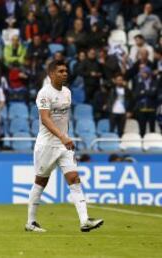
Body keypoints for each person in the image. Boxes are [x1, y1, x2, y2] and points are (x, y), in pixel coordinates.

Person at [25, 60, 103, 233]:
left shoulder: (67, 92)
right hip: (46, 145)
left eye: (66, 71)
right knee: (40, 182)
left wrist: (64, 137)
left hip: (63, 145)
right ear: (51, 74)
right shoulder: (44, 93)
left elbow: (63, 119)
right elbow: (45, 119)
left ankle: (84, 221)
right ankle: (30, 222)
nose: (65, 73)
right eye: (60, 71)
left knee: (74, 179)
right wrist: (62, 136)